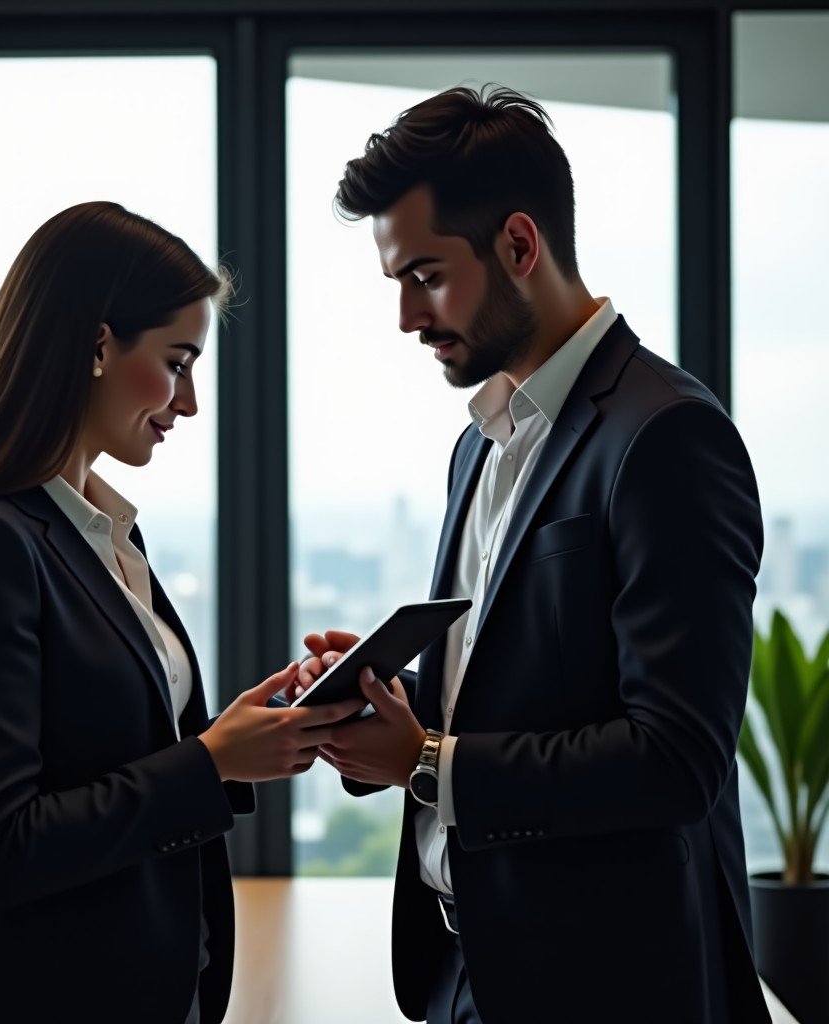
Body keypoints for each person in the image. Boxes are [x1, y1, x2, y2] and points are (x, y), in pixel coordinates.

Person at [294, 87, 771, 1023]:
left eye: (425, 276)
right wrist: (386, 698)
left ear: (519, 245)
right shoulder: (479, 442)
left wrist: (428, 760)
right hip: (467, 973)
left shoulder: (668, 437)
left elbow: (677, 757)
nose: (404, 316)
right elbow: (522, 680)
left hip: (609, 988)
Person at [0, 201, 361, 1024]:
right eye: (178, 361)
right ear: (99, 344)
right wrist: (209, 761)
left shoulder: (108, 537)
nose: (189, 403)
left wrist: (241, 738)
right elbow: (0, 850)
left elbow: (120, 757)